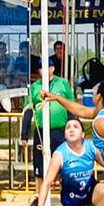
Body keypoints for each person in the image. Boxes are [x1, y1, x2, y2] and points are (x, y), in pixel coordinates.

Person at [27, 56, 74, 194]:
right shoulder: (35, 86)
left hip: (60, 130)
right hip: (41, 130)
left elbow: (71, 104)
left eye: (48, 67)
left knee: (64, 162)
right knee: (39, 164)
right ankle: (39, 195)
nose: (45, 70)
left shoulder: (62, 83)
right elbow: (29, 108)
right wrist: (24, 133)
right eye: (42, 67)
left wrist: (74, 124)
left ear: (53, 68)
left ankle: (66, 193)